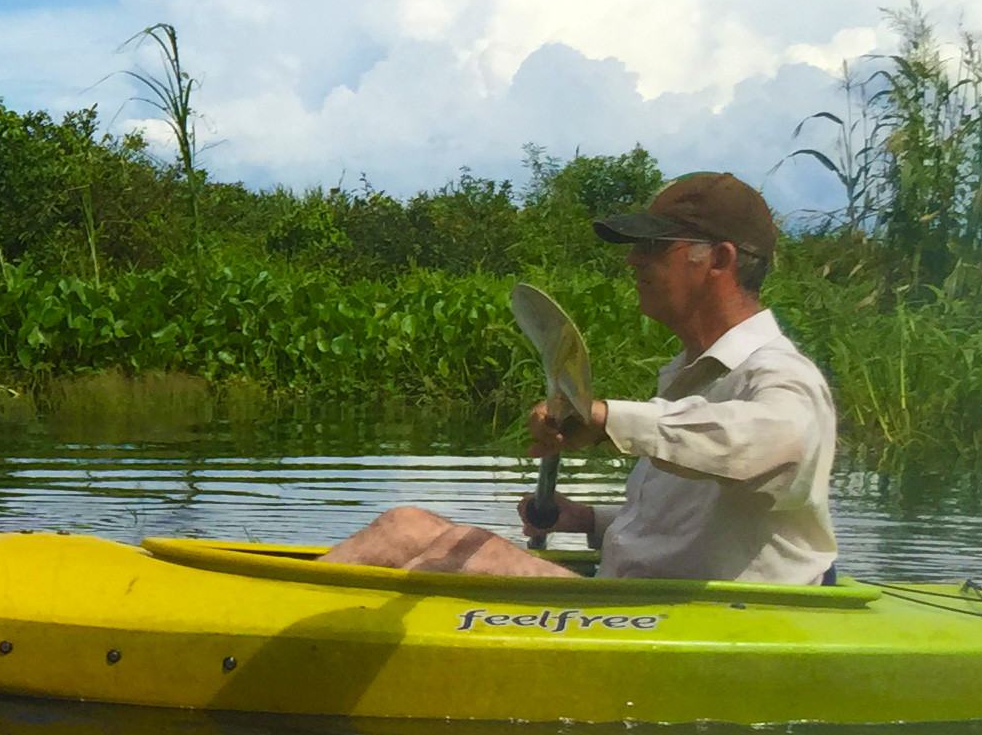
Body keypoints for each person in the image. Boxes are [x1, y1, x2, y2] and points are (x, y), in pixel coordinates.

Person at [321, 171, 838, 584]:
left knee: (447, 568)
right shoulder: (688, 375)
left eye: (656, 247)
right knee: (403, 525)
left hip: (720, 623)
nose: (633, 259)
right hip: (639, 601)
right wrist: (590, 521)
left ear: (719, 259)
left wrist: (609, 418)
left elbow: (774, 446)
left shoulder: (781, 375)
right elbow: (694, 533)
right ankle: (270, 620)